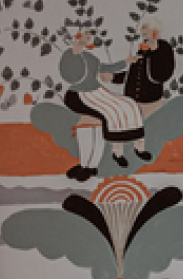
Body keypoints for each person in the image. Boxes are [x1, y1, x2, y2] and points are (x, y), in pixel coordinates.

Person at [64, 21, 174, 180]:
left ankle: (97, 164)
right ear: (78, 36)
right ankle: (88, 164)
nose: (89, 37)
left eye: (89, 35)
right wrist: (77, 51)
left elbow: (108, 68)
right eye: (86, 34)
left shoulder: (92, 58)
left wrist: (125, 63)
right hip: (80, 94)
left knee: (127, 106)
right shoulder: (71, 55)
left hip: (98, 92)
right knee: (109, 113)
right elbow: (70, 74)